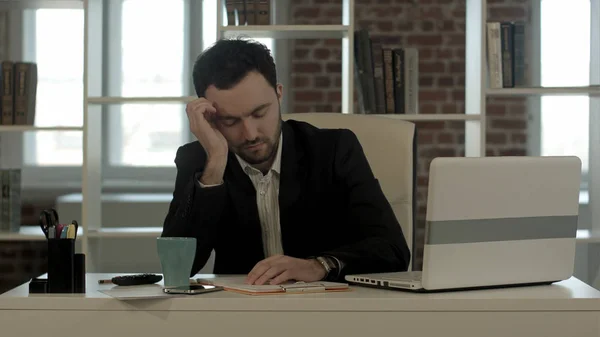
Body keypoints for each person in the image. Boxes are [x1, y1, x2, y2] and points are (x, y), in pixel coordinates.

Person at [161, 37, 410, 286]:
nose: (250, 134)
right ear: (211, 118)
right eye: (230, 121)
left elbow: (393, 250)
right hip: (241, 311)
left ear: (279, 94)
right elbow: (178, 268)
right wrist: (215, 165)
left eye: (259, 113)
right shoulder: (199, 160)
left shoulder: (335, 150)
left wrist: (319, 266)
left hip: (325, 308)